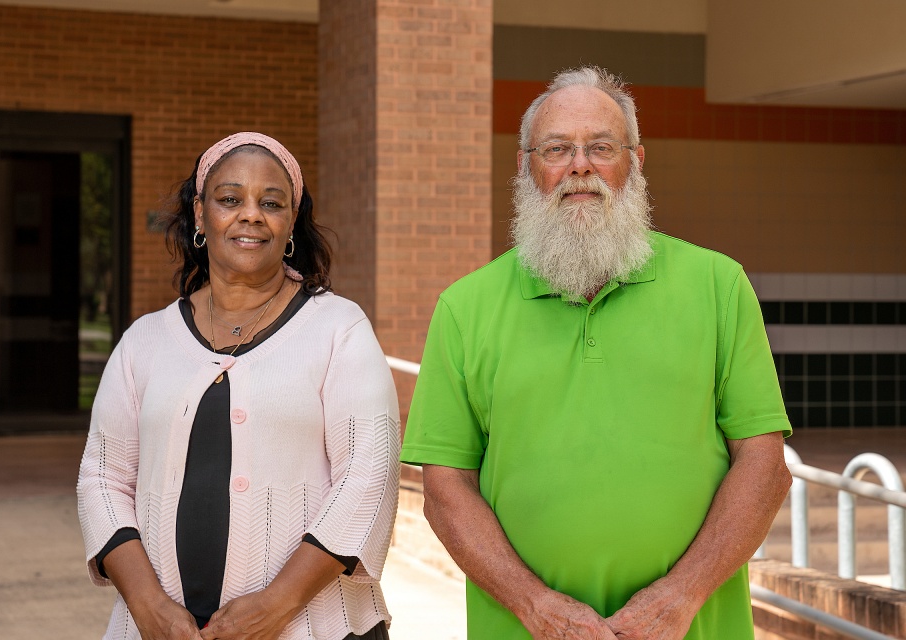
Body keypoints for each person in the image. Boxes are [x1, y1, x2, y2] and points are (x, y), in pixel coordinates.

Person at [399, 66, 793, 640]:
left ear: (636, 159)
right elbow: (445, 488)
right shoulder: (465, 307)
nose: (579, 166)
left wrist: (681, 597)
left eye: (600, 147)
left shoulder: (719, 285)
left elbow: (764, 464)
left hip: (692, 627)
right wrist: (534, 605)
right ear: (525, 165)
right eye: (557, 148)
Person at [77, 132, 400, 640]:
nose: (251, 215)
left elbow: (367, 475)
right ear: (200, 215)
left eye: (271, 203)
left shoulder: (339, 329)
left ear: (291, 222)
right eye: (230, 199)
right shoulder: (145, 341)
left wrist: (277, 604)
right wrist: (146, 605)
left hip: (314, 625)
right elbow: (102, 479)